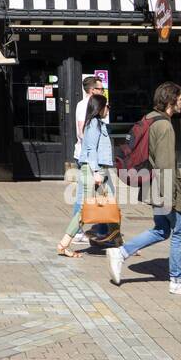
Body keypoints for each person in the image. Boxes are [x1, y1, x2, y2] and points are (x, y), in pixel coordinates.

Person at [107, 82, 181, 296]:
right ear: (170, 100)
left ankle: (120, 253)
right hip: (164, 190)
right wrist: (170, 198)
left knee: (161, 229)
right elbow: (165, 164)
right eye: (180, 98)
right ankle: (177, 280)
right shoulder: (165, 126)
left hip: (152, 187)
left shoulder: (149, 118)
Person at [57, 94, 113, 257]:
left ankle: (117, 243)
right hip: (92, 170)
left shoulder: (98, 124)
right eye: (107, 106)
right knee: (84, 210)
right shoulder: (94, 124)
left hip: (100, 170)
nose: (108, 109)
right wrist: (96, 173)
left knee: (110, 202)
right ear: (99, 107)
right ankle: (63, 244)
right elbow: (90, 150)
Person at [69, 75, 106, 243]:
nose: (103, 91)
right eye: (100, 89)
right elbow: (83, 133)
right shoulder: (86, 105)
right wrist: (95, 166)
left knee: (100, 195)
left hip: (88, 158)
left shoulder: (86, 105)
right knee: (85, 197)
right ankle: (75, 232)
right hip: (89, 159)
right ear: (93, 90)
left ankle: (103, 230)